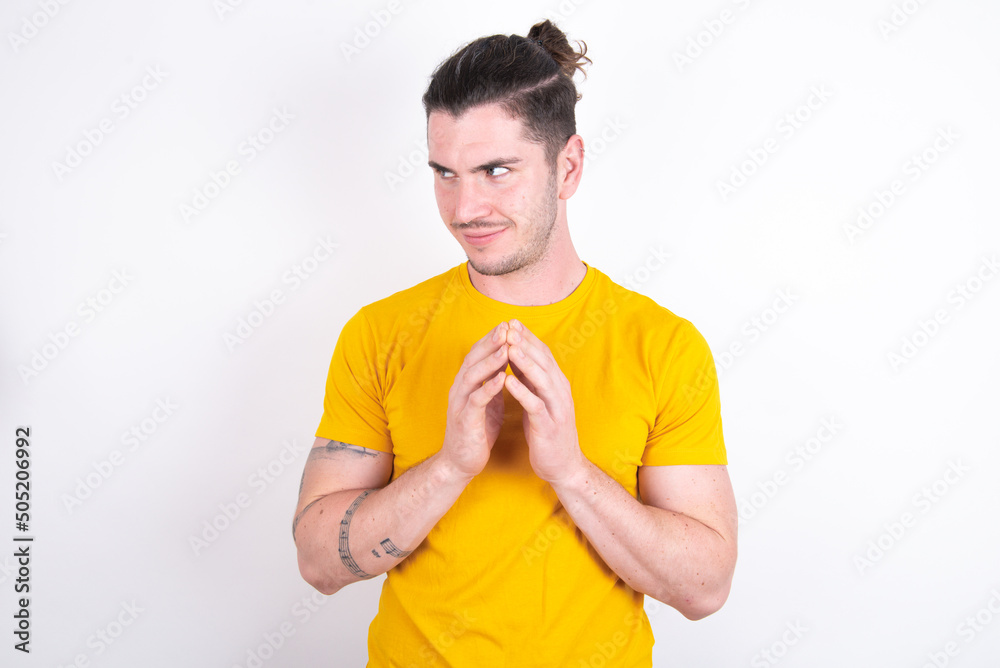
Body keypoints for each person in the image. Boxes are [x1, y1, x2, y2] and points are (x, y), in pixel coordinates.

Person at [293, 19, 737, 666]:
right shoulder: (380, 333)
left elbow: (705, 587)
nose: (464, 206)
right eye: (444, 173)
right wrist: (449, 466)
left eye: (496, 170)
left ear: (569, 166)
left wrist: (572, 472)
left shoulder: (663, 345)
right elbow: (316, 562)